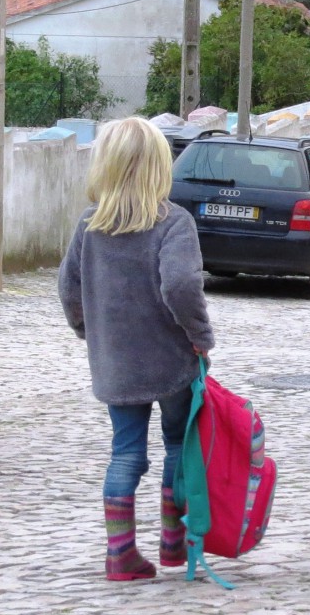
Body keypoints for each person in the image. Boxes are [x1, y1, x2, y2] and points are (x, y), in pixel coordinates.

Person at [58, 117, 215, 582]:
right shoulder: (174, 222)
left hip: (116, 361)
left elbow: (69, 288)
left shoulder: (89, 224)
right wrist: (200, 337)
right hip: (170, 361)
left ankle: (120, 552)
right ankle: (173, 540)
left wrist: (89, 331)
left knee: (125, 452)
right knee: (175, 446)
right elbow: (183, 285)